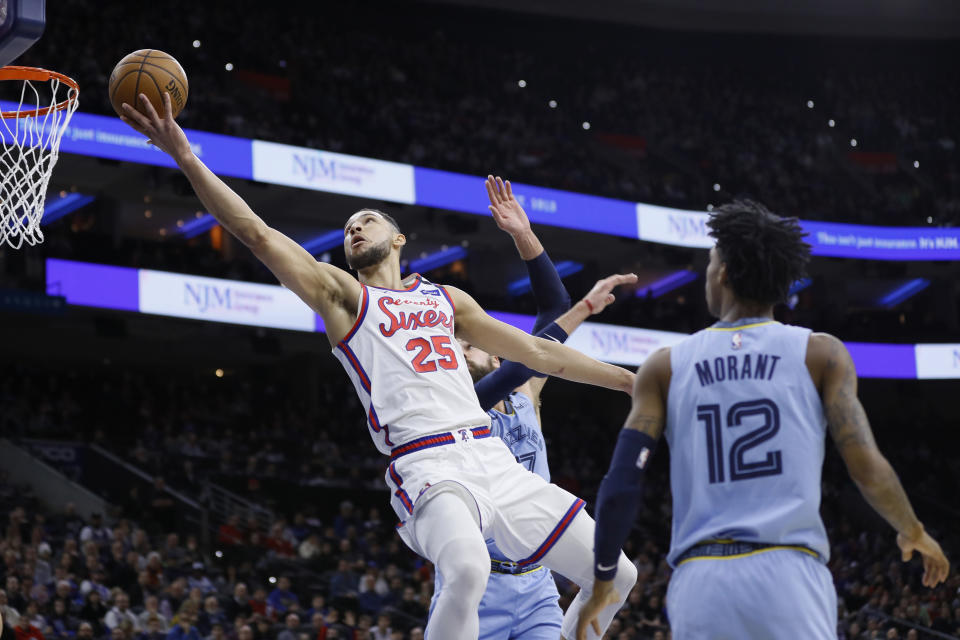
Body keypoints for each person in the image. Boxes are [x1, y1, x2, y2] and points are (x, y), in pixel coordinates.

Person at [121, 94, 636, 640]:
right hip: (428, 464)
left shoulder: (448, 301)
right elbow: (258, 233)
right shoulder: (344, 297)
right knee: (465, 569)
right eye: (348, 228)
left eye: (366, 221)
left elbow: (540, 352)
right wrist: (185, 154)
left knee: (618, 576)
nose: (354, 230)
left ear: (399, 239)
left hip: (491, 456)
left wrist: (629, 381)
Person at [576, 201, 951, 639]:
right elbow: (866, 466)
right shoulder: (821, 354)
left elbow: (623, 481)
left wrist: (604, 581)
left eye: (711, 261)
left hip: (703, 580)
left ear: (725, 274)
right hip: (791, 575)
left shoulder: (665, 366)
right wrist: (913, 530)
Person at [430, 179, 638, 638]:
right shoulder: (462, 403)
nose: (461, 348)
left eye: (469, 344)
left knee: (615, 579)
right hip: (477, 584)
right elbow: (538, 347)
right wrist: (581, 314)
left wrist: (524, 234)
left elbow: (550, 312)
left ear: (496, 355)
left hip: (536, 582)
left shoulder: (526, 392)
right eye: (457, 344)